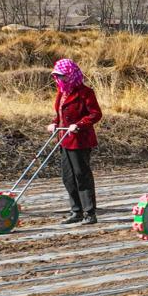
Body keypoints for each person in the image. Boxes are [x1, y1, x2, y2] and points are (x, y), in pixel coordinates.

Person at [48, 59, 102, 225]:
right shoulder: (62, 92)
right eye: (58, 76)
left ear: (71, 75)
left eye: (62, 76)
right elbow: (60, 113)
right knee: (68, 177)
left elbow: (95, 114)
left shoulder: (85, 92)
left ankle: (89, 212)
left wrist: (79, 125)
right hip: (64, 139)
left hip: (80, 140)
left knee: (82, 175)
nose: (60, 79)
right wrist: (55, 122)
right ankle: (76, 210)